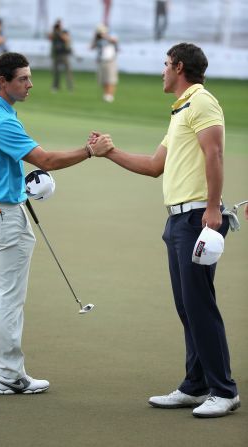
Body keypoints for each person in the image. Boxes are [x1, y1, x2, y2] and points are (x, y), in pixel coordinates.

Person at [0, 52, 113, 395]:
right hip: (3, 218)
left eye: (30, 77)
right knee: (8, 298)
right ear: (3, 81)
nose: (30, 84)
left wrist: (0, 180)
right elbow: (45, 159)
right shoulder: (2, 120)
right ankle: (10, 375)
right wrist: (90, 151)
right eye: (23, 79)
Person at [94, 42, 240, 418]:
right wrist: (110, 152)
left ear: (178, 67)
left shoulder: (202, 101)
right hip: (177, 221)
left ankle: (224, 391)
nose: (162, 71)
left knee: (200, 306)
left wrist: (212, 208)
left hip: (197, 219)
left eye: (164, 65)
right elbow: (154, 165)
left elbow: (216, 153)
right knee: (187, 308)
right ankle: (195, 385)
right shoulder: (181, 110)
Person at [91, 24, 118, 102]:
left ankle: (110, 95)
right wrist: (95, 37)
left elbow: (115, 41)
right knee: (103, 79)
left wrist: (105, 36)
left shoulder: (111, 36)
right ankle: (106, 94)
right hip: (101, 61)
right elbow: (91, 47)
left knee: (111, 79)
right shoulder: (98, 40)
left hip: (110, 61)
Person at [48, 19, 73, 92]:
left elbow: (66, 39)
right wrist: (54, 31)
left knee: (68, 71)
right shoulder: (54, 32)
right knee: (56, 72)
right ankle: (56, 86)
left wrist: (60, 32)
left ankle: (70, 86)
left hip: (64, 54)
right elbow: (49, 38)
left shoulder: (64, 32)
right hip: (56, 54)